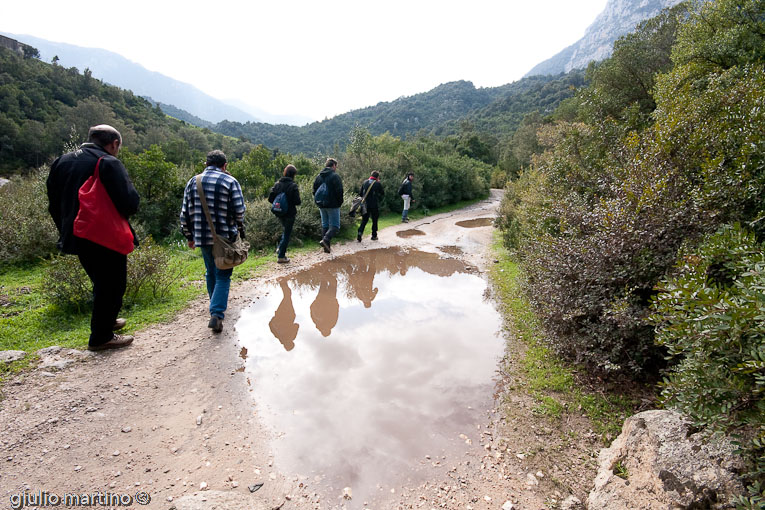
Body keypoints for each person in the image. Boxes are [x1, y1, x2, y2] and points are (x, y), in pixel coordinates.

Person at [47, 124, 140, 351]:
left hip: (75, 233)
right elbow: (130, 203)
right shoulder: (108, 162)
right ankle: (101, 337)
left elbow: (53, 202)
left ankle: (106, 321)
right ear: (114, 143)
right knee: (113, 284)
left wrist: (65, 228)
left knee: (101, 281)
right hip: (103, 234)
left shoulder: (62, 161)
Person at [180, 150, 246, 333]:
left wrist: (189, 236)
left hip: (202, 237)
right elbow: (240, 212)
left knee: (211, 271)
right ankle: (216, 313)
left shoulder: (193, 182)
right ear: (224, 165)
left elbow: (184, 214)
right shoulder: (230, 181)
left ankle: (214, 303)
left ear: (206, 163)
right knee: (223, 274)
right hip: (225, 238)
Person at [268, 164, 301, 263]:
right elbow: (297, 201)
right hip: (290, 213)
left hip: (280, 213)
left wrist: (280, 204)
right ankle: (281, 256)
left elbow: (270, 199)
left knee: (285, 231)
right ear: (293, 175)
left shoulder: (277, 184)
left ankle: (280, 248)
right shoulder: (293, 186)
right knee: (287, 233)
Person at [312, 158, 343, 253]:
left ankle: (326, 248)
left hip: (321, 204)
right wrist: (339, 202)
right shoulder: (335, 176)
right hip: (333, 205)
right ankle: (325, 240)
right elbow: (339, 191)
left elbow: (314, 191)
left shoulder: (318, 177)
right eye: (336, 166)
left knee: (325, 225)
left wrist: (319, 201)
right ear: (333, 165)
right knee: (335, 226)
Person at [356, 171, 384, 242]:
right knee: (374, 220)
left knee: (364, 219)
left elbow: (360, 193)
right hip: (374, 204)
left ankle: (360, 232)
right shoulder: (377, 184)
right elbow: (382, 193)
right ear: (377, 177)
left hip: (365, 205)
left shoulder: (365, 182)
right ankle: (374, 235)